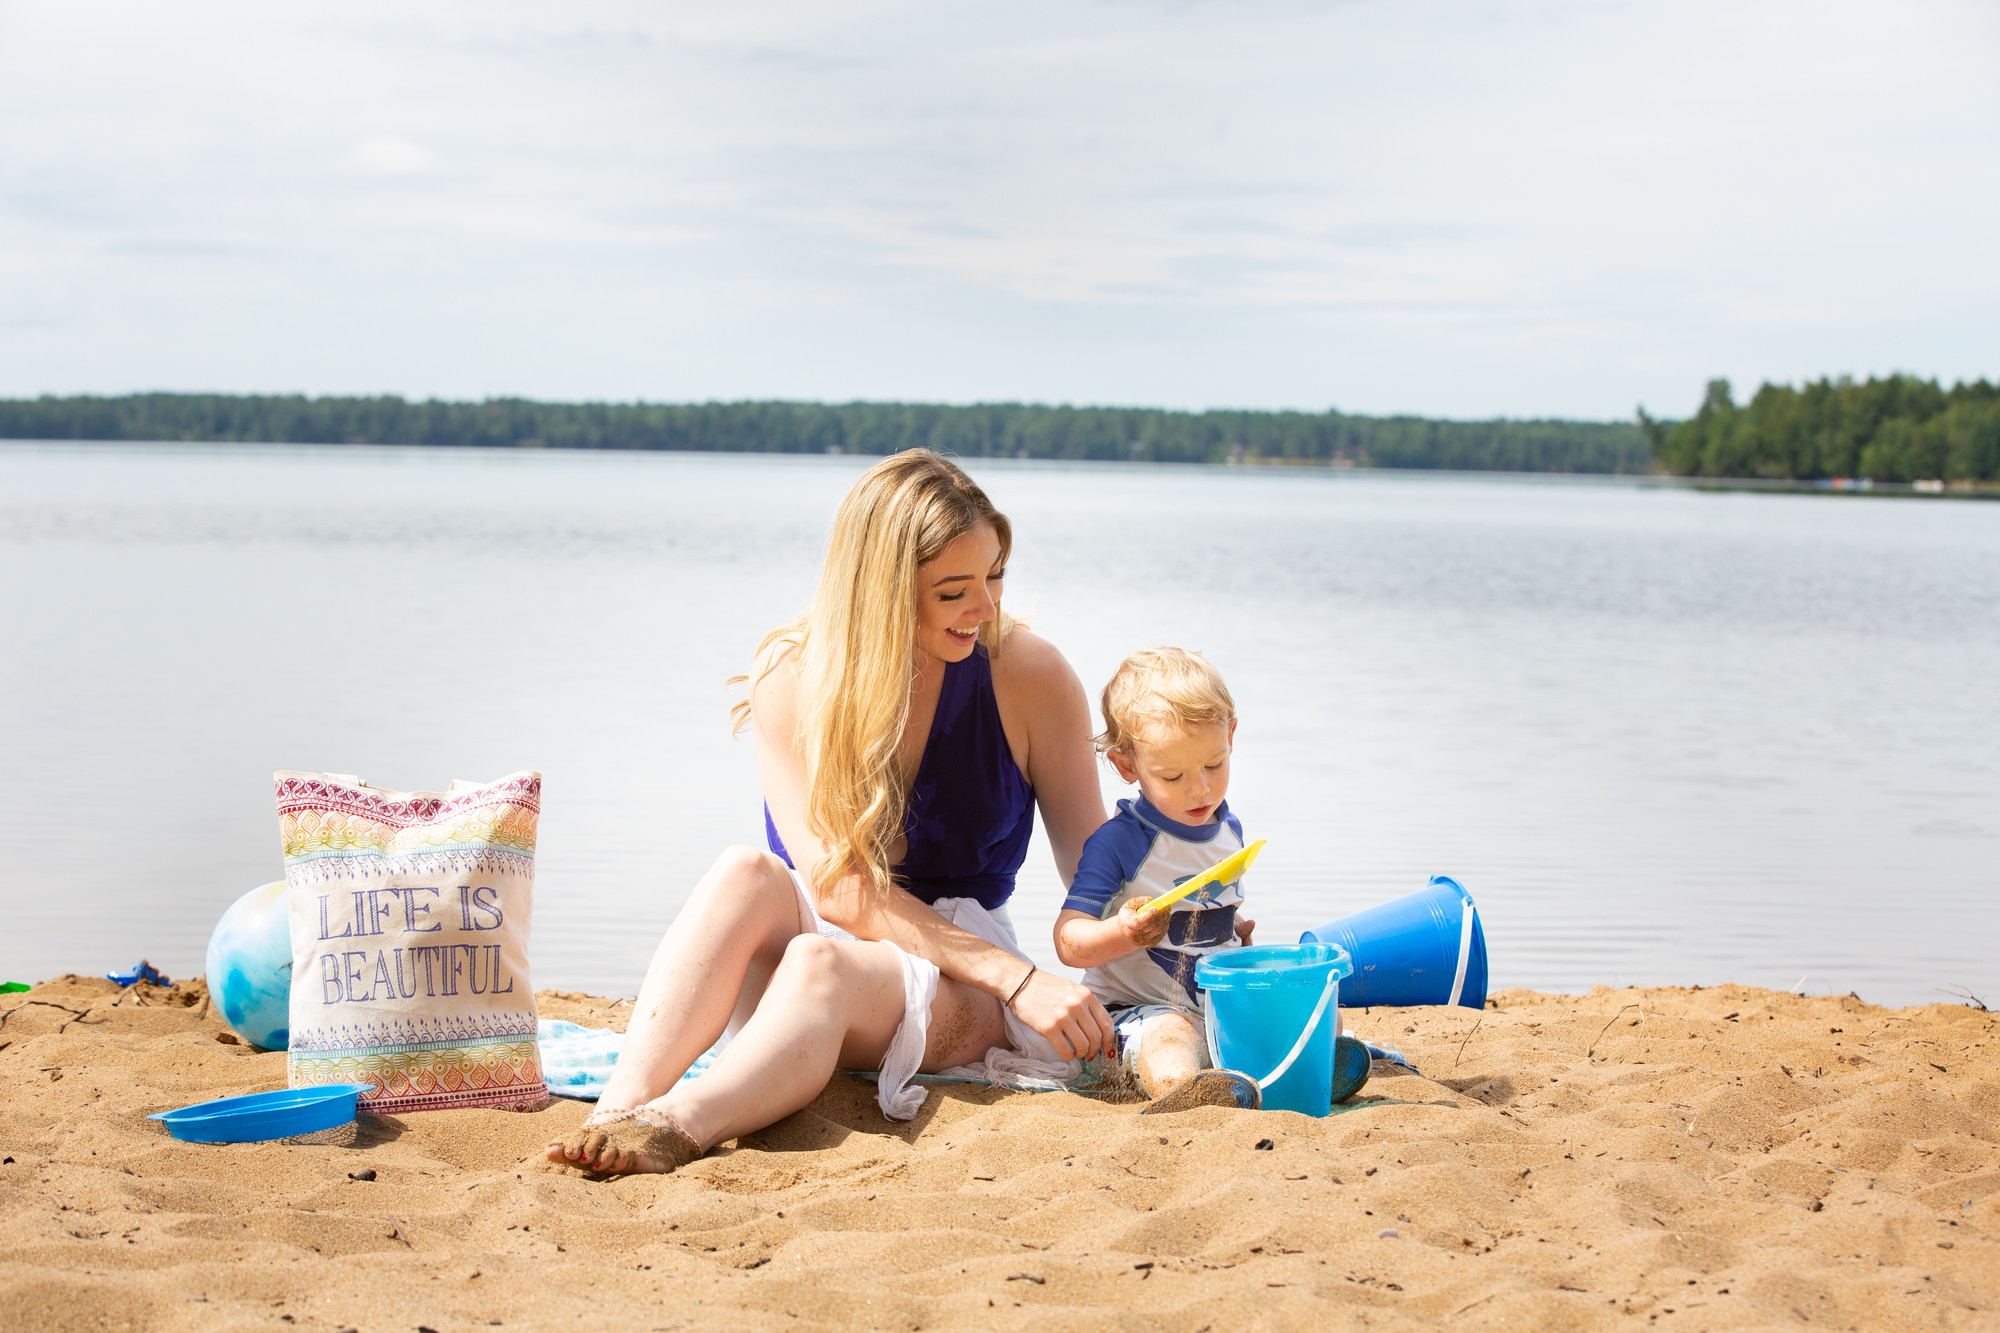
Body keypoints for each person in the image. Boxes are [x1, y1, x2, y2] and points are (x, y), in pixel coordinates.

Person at [547, 450, 1115, 1175]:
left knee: (820, 961)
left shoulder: (1030, 675)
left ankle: (676, 1124)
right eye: (953, 591)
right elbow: (840, 890)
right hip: (833, 944)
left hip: (965, 978)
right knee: (744, 871)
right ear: (879, 589)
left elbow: (1099, 871)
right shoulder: (791, 674)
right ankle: (618, 1110)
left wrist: (1179, 912)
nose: (987, 607)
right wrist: (1023, 977)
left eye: (995, 575)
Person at [1053, 647, 1370, 1113]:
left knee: (1324, 1014)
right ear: (1126, 765)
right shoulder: (1119, 842)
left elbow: (1212, 904)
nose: (1199, 789)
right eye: (1173, 775)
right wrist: (1120, 933)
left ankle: (1292, 1069)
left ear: (1231, 736)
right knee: (1173, 1043)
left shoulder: (1228, 830)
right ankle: (1197, 1090)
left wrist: (1231, 928)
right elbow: (1067, 940)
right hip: (1132, 1017)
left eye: (1214, 765)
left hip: (1213, 1006)